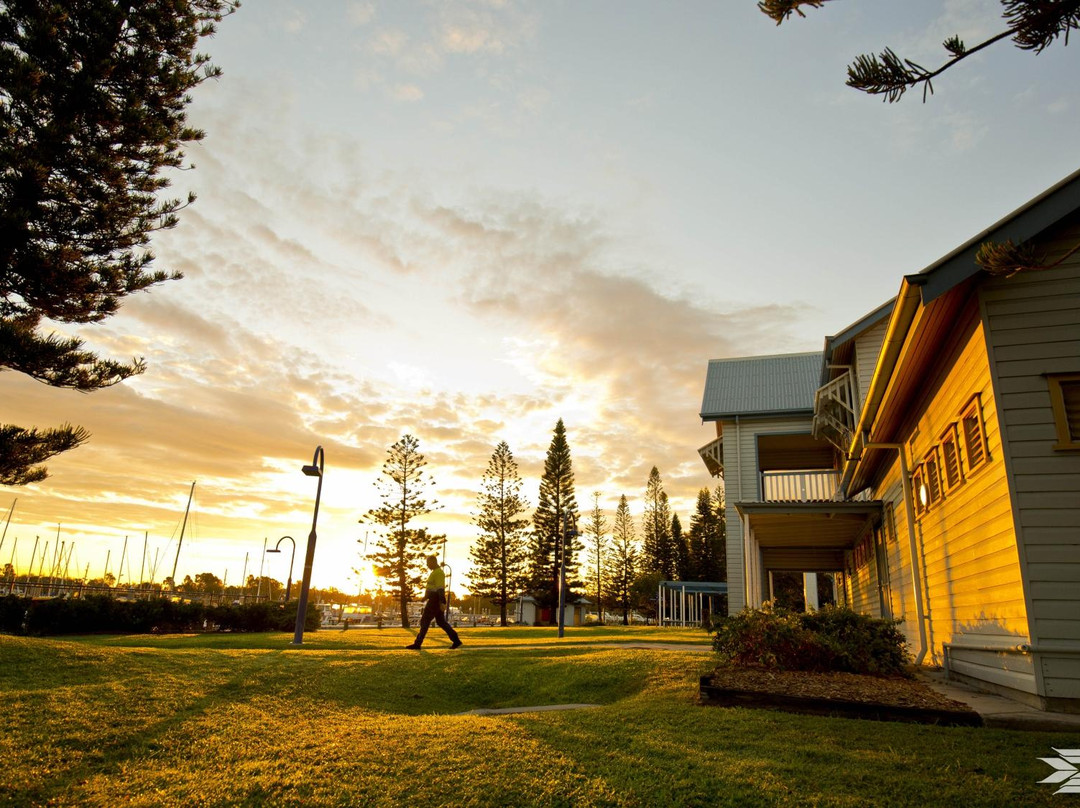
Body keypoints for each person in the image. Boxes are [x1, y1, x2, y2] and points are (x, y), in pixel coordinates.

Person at [406, 555, 462, 650]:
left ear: (433, 562)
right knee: (441, 622)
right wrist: (425, 598)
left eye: (428, 563)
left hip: (435, 601)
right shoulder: (435, 572)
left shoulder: (438, 573)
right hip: (434, 600)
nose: (427, 565)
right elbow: (432, 588)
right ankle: (456, 641)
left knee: (425, 621)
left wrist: (442, 602)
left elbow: (440, 589)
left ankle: (418, 643)